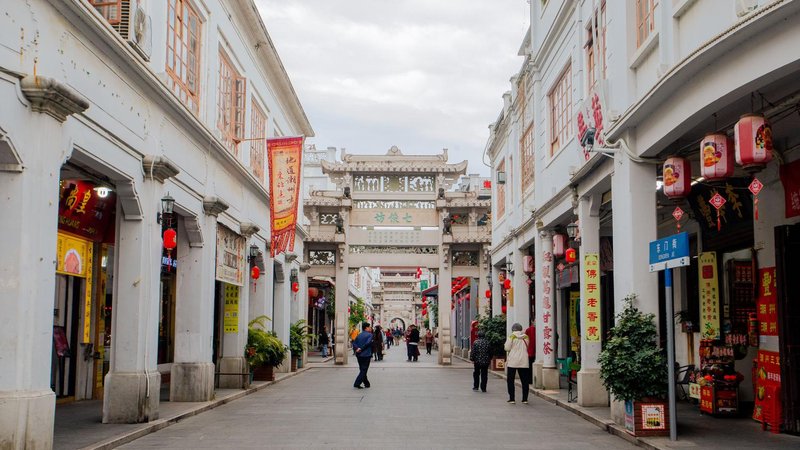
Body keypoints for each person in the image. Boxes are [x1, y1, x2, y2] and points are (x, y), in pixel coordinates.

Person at [504, 323, 531, 404]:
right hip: (524, 360)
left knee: (510, 380)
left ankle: (512, 398)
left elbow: (507, 348)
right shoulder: (526, 337)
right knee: (525, 381)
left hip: (513, 361)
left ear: (513, 329)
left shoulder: (511, 336)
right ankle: (525, 399)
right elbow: (528, 346)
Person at [352, 322, 373, 389]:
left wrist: (357, 348)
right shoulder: (370, 335)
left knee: (362, 369)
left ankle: (366, 383)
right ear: (366, 328)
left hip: (359, 355)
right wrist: (361, 348)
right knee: (364, 370)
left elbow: (354, 343)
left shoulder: (359, 335)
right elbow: (367, 343)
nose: (370, 328)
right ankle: (357, 383)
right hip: (366, 355)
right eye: (369, 327)